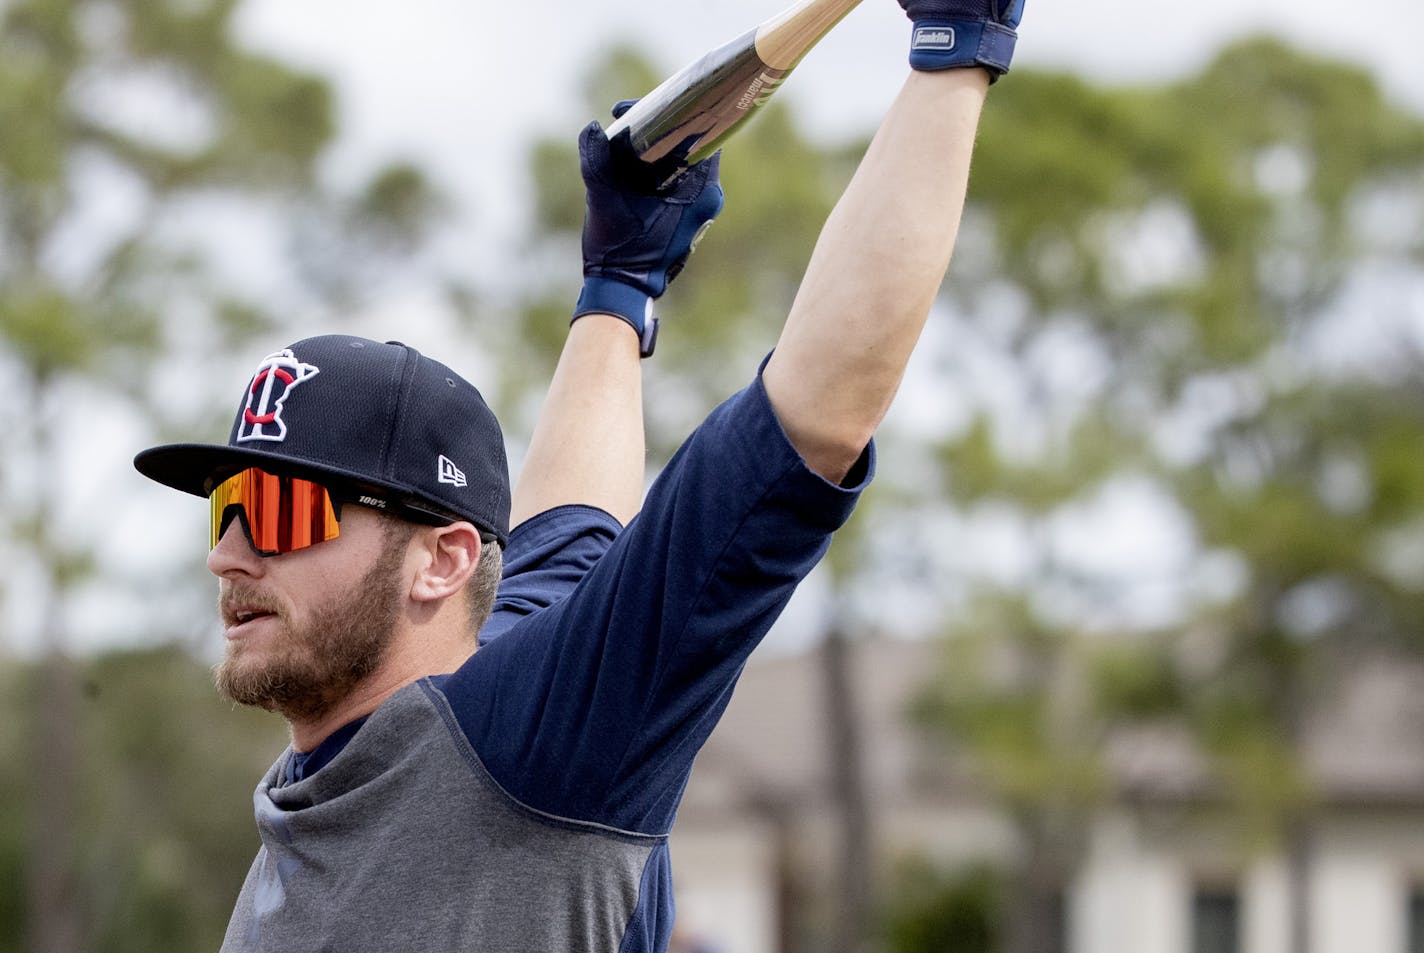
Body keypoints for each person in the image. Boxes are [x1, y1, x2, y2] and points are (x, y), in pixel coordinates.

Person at [131, 0, 1025, 948]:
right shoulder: (334, 773)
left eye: (278, 510)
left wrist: (954, 56)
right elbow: (570, 530)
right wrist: (618, 287)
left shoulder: (541, 744)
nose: (229, 555)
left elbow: (811, 418)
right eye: (227, 508)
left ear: (442, 560)